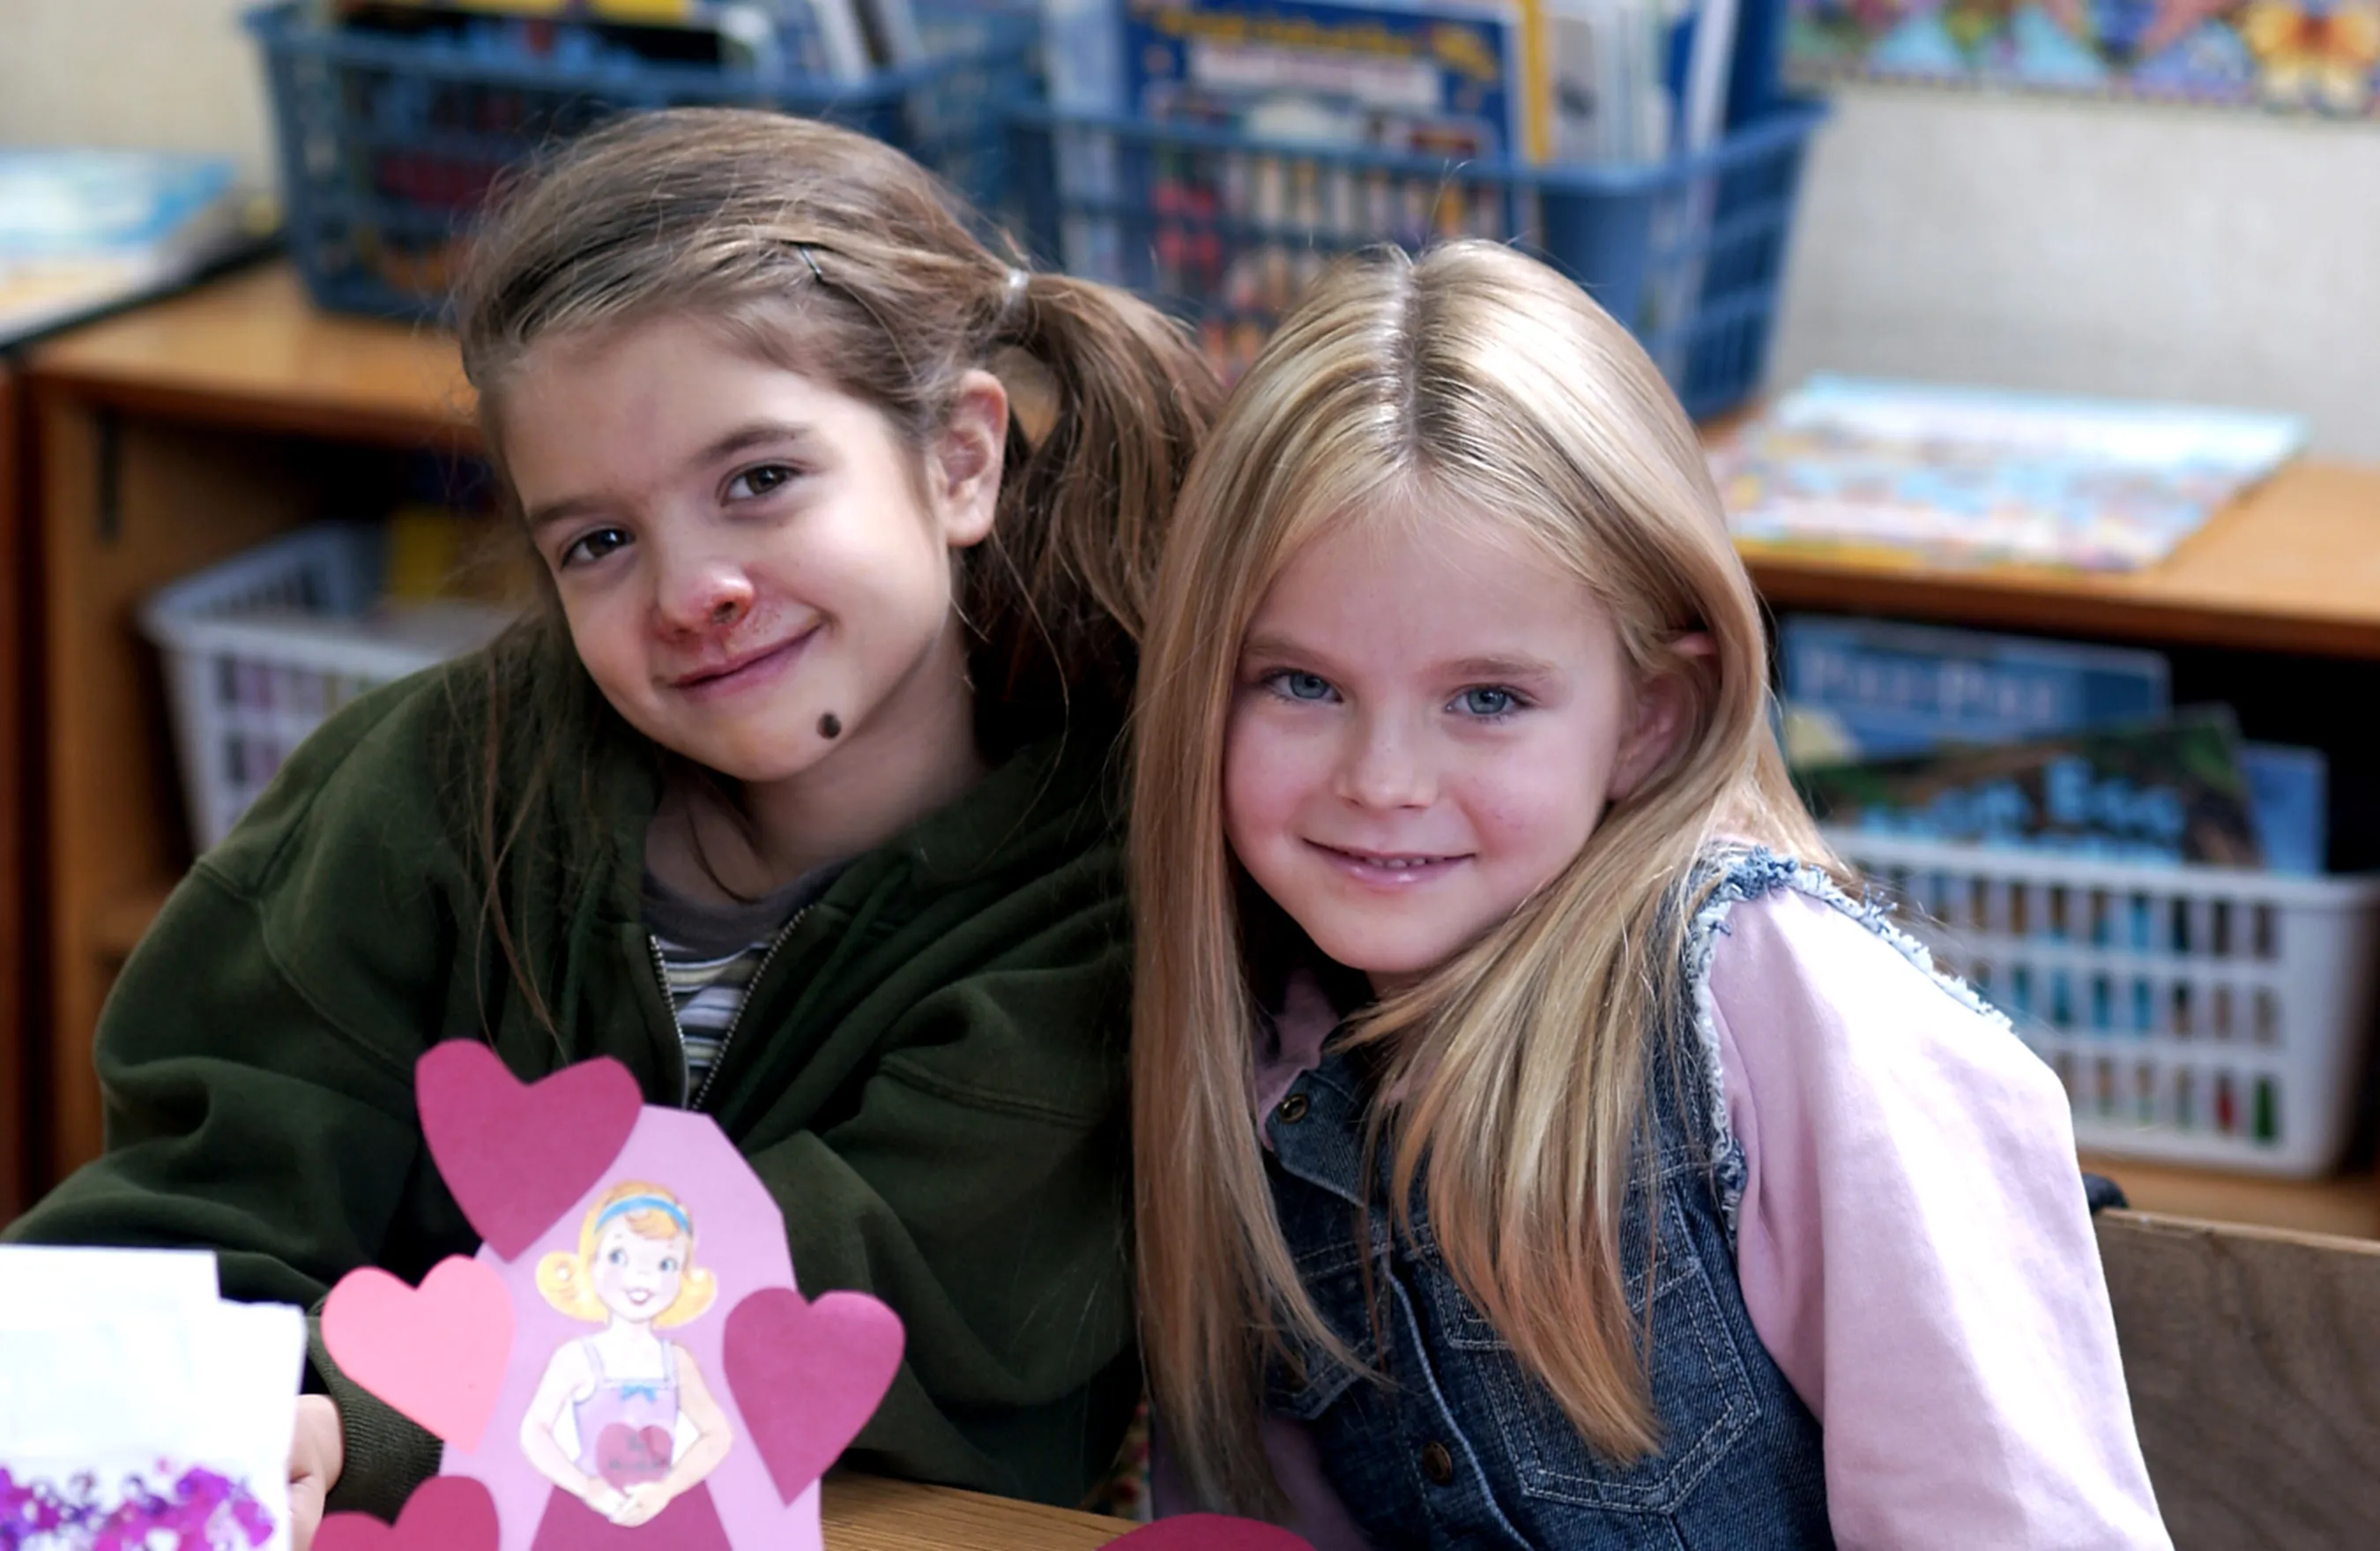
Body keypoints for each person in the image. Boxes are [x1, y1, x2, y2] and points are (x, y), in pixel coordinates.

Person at [4, 108, 1218, 1542]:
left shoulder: (1111, 889)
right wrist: (163, 1399)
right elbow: (185, 1213)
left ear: (959, 459)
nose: (691, 585)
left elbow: (842, 1293)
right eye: (599, 539)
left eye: (759, 480)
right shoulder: (423, 791)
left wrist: (366, 1412)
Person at [1127, 241, 2169, 1547]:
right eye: (1302, 683)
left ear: (1648, 719)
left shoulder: (1777, 1000)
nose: (1384, 779)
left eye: (1488, 698)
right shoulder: (1255, 1060)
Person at [521, 1182, 733, 1545]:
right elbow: (534, 1430)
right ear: (590, 1262)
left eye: (665, 1264)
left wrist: (666, 1490)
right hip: (588, 1514)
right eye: (620, 1257)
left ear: (683, 1275)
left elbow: (718, 1434)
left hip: (666, 1518)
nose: (642, 1278)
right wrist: (585, 1486)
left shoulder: (676, 1361)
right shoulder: (576, 1357)